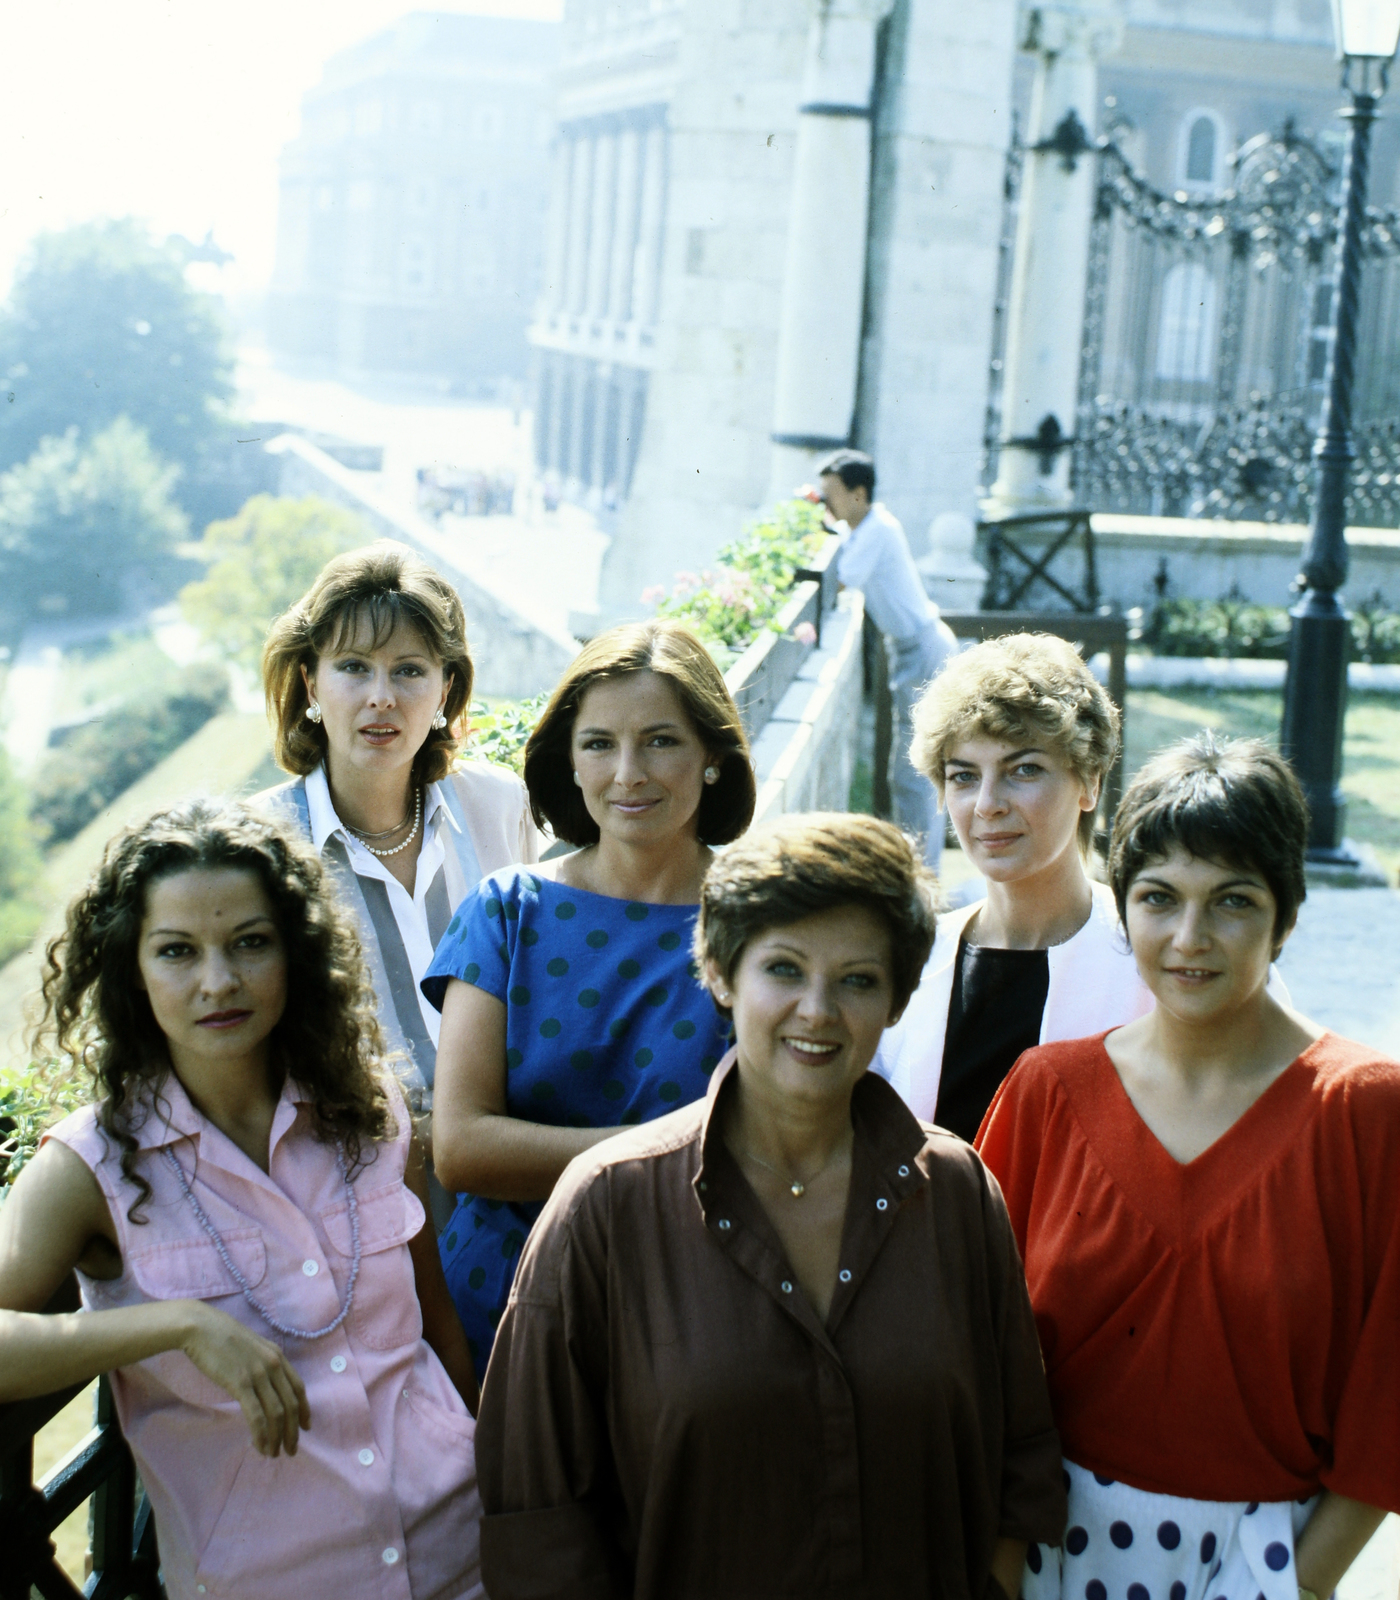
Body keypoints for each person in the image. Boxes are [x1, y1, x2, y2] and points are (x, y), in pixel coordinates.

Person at [473, 812, 1067, 1599]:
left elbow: (1017, 1462)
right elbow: (537, 1525)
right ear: (720, 973)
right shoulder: (605, 1209)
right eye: (784, 969)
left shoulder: (956, 1192)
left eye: (858, 979)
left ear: (896, 999)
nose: (818, 1011)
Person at [0, 800, 485, 1600]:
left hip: (463, 1556)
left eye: (250, 944)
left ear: (295, 952)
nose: (218, 982)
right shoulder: (89, 1166)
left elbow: (437, 1333)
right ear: (132, 968)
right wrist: (175, 1325)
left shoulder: (368, 1106)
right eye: (177, 952)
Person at [977, 735, 1400, 1600]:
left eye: (1232, 901)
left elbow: (1389, 1390)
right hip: (1043, 1552)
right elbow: (971, 1353)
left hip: (1267, 1560)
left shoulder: (1366, 1110)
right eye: (1159, 898)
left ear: (1285, 915)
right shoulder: (1047, 1092)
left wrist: (1297, 1583)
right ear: (1122, 908)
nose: (1189, 937)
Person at [424, 619, 756, 1371]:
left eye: (661, 741)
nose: (628, 773)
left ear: (712, 756)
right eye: (600, 743)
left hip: (692, 1319)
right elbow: (462, 1148)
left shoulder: (766, 923)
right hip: (500, 1314)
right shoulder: (507, 910)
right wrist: (675, 1154)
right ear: (569, 762)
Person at [259, 541, 538, 1155]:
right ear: (311, 682)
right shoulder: (260, 847)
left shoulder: (497, 806)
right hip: (354, 1186)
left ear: (444, 691)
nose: (381, 696)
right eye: (354, 667)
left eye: (409, 670)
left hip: (511, 1161)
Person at [872, 632, 1140, 1139]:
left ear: (1089, 783)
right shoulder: (912, 959)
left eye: (1023, 770)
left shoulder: (1150, 958)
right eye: (964, 776)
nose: (987, 804)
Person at [817, 448, 957, 869]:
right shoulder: (863, 531)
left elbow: (838, 582)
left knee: (914, 775)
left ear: (858, 494)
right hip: (910, 652)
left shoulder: (877, 530)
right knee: (909, 773)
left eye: (832, 495)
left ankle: (923, 875)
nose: (827, 503)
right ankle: (917, 867)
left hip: (923, 652)